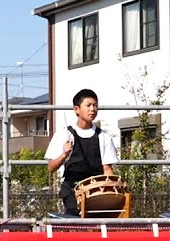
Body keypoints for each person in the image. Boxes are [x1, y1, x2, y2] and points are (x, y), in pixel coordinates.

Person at [45, 88, 119, 216]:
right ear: (76, 109)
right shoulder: (64, 134)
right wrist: (64, 155)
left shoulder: (103, 136)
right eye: (88, 105)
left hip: (97, 189)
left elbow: (107, 169)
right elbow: (51, 167)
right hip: (73, 190)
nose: (93, 109)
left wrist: (110, 190)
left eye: (95, 105)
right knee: (77, 222)